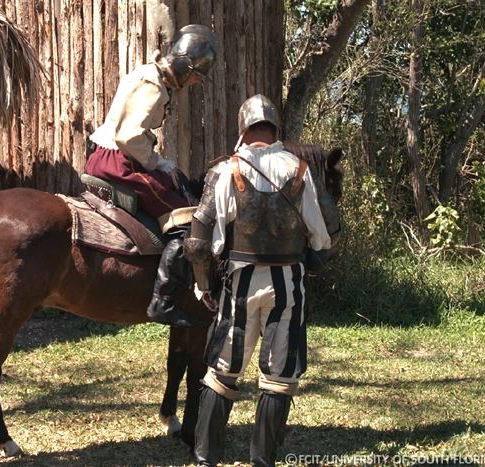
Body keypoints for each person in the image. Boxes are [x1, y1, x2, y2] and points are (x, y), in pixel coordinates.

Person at [183, 94, 341, 466]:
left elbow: (197, 240)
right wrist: (316, 259)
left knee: (223, 371)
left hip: (240, 283)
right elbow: (330, 229)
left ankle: (207, 460)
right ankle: (262, 461)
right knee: (279, 375)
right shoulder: (301, 170)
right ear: (274, 129)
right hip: (288, 282)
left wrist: (203, 285)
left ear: (243, 128)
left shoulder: (226, 171)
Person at [85, 24, 218, 328]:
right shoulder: (154, 85)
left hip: (114, 155)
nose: (195, 82)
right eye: (197, 75)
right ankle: (163, 302)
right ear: (185, 66)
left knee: (177, 184)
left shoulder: (150, 73)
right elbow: (129, 136)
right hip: (119, 161)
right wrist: (156, 161)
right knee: (185, 221)